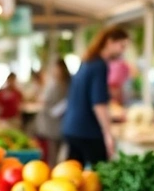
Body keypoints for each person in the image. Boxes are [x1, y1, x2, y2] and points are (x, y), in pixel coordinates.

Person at [61, 26, 129, 166]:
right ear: (110, 42)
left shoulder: (86, 62)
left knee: (71, 175)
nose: (123, 51)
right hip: (88, 131)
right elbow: (98, 104)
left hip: (72, 128)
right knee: (101, 176)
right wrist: (108, 134)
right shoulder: (99, 65)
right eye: (121, 46)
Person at [34, 59, 71, 165]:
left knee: (57, 152)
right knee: (51, 153)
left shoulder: (67, 84)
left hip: (61, 123)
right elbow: (43, 100)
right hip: (49, 124)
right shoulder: (51, 83)